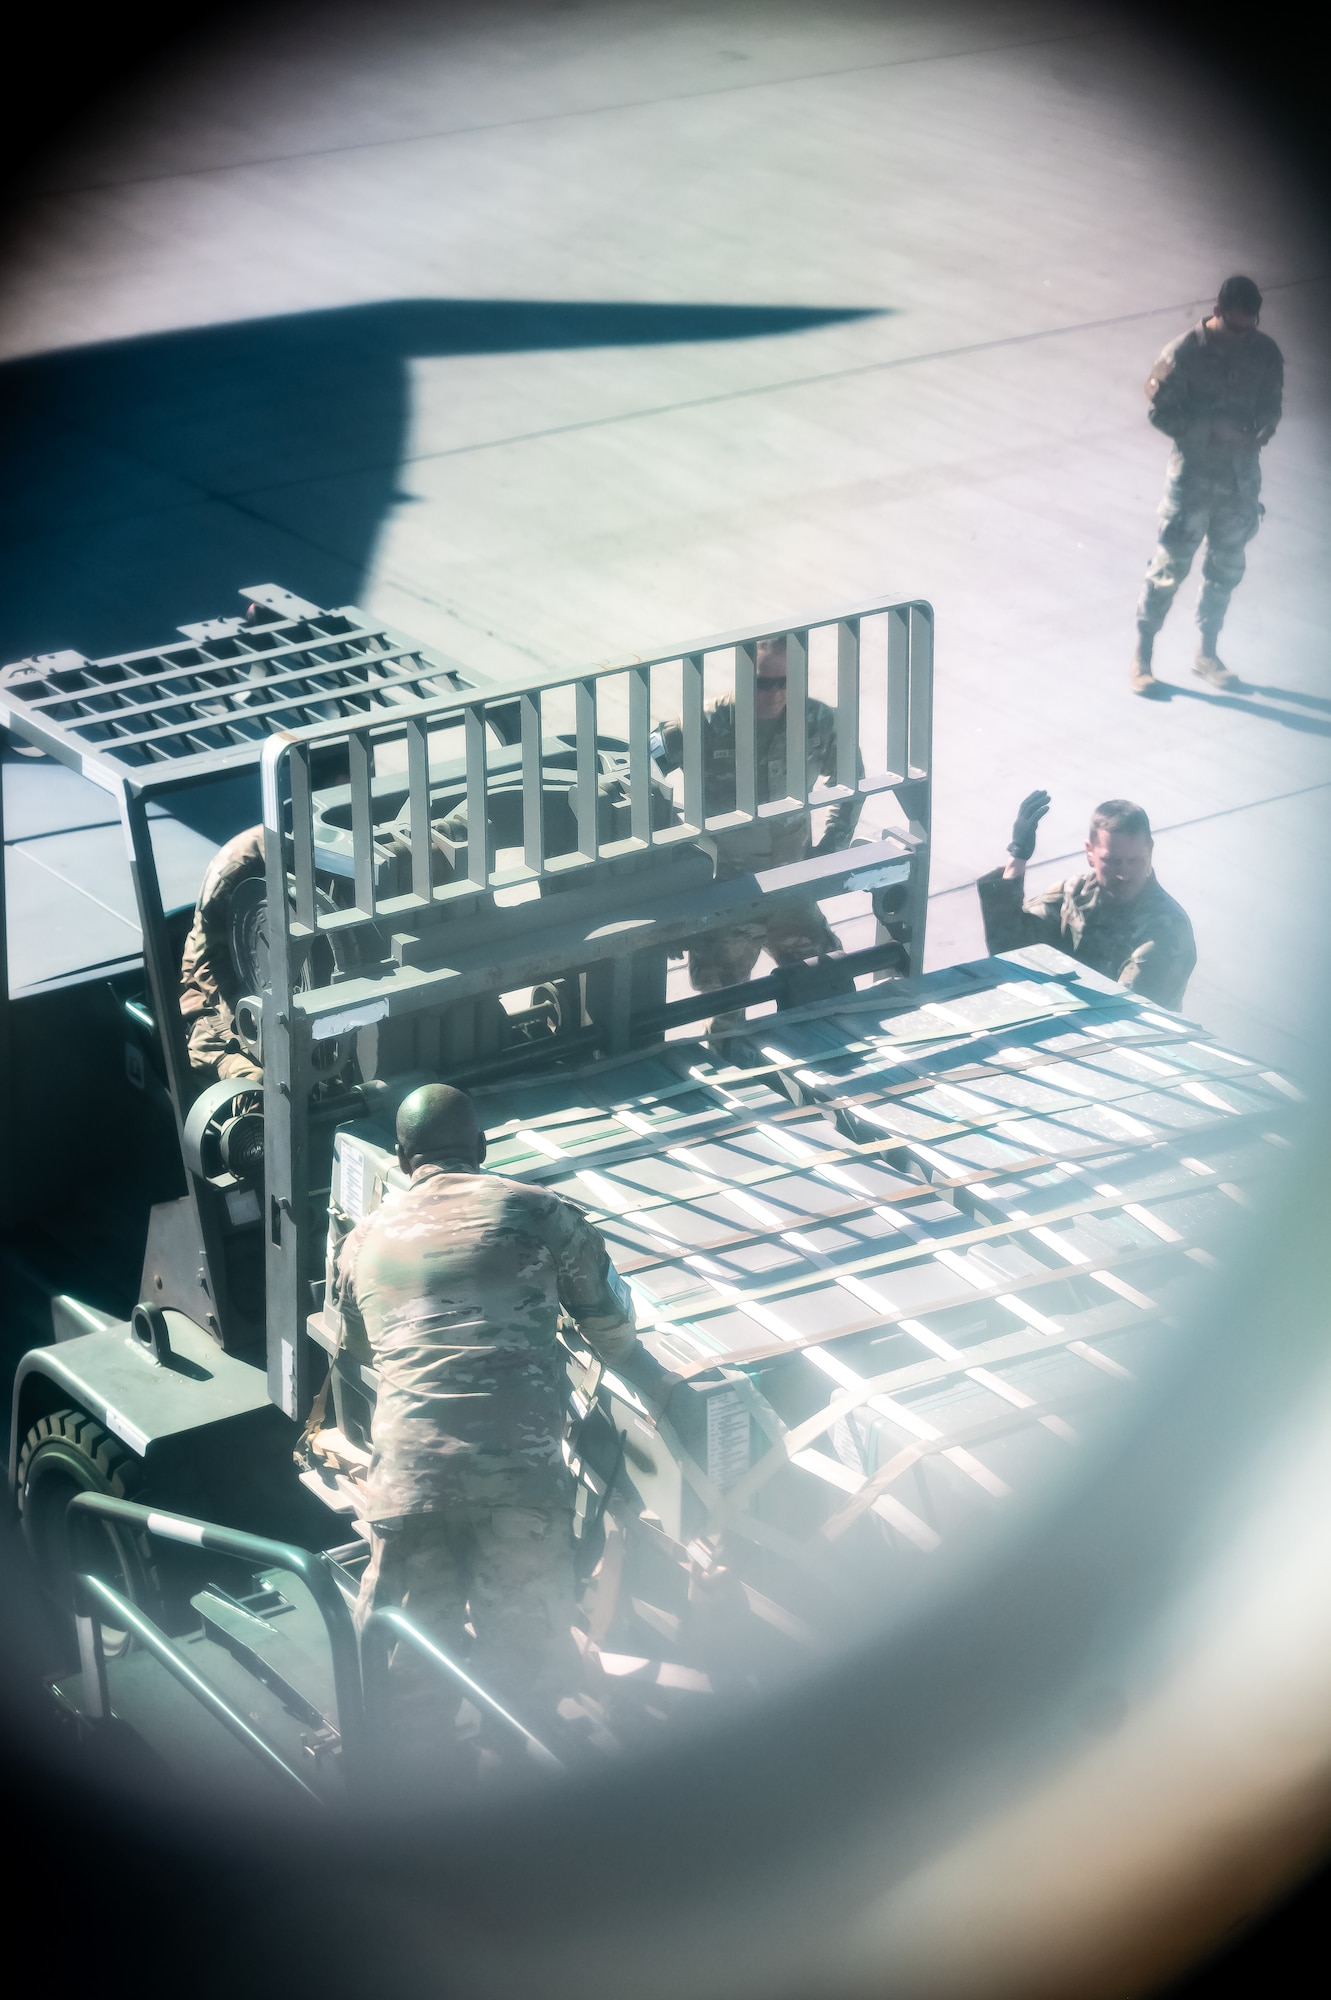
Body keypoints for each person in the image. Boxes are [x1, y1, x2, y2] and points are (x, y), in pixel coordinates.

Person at [334, 1083, 673, 1762]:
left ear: (402, 1159)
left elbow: (357, 1350)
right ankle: (511, 1785)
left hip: (411, 1477)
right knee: (521, 1661)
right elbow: (611, 1332)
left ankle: (408, 1795)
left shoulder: (363, 1239)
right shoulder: (540, 1213)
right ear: (482, 1148)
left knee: (408, 1655)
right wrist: (670, 1395)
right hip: (518, 1477)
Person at [651, 634, 864, 1031]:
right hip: (729, 892)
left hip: (792, 888)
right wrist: (672, 865)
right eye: (764, 682)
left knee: (829, 990)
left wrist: (832, 847)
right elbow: (639, 776)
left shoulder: (819, 722)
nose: (776, 693)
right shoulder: (700, 725)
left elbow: (853, 779)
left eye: (786, 682)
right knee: (728, 1014)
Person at [1131, 274, 1283, 699]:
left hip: (1239, 483)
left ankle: (1207, 654)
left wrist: (1264, 427)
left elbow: (1273, 401)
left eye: (1250, 326)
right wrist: (1210, 429)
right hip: (1194, 480)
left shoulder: (1265, 351)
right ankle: (1142, 658)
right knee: (1169, 569)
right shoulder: (1183, 353)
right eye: (1235, 327)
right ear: (1217, 312)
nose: (1243, 336)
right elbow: (1159, 413)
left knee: (1226, 569)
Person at [976, 794, 1196, 1011]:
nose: (1124, 874)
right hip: (1068, 1022)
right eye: (1112, 861)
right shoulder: (1072, 895)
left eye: (1134, 861)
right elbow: (1009, 952)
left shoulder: (1165, 930)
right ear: (1090, 853)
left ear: (1150, 850)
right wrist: (1017, 858)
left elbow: (1123, 1013)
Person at [178, 824, 265, 1083]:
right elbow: (208, 967)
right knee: (263, 1084)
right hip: (212, 1011)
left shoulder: (331, 845)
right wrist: (250, 1032)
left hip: (279, 997)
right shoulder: (239, 864)